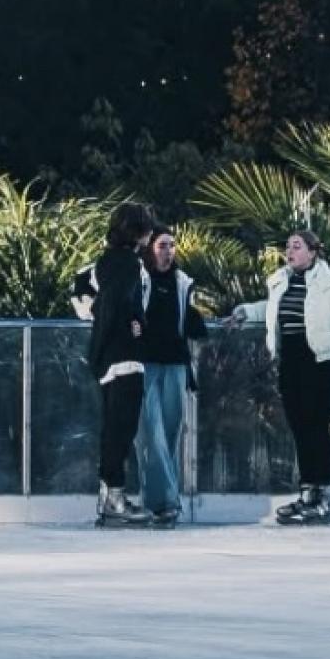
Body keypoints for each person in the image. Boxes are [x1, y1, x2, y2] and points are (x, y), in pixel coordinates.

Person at [229, 231, 330, 525]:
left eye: (297, 246)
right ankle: (307, 493)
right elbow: (272, 309)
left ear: (313, 253)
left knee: (316, 425)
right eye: (287, 246)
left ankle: (322, 496)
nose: (290, 251)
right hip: (292, 359)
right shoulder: (281, 281)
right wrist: (246, 312)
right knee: (299, 426)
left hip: (321, 360)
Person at [72, 202, 155, 526]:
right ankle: (115, 498)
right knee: (121, 428)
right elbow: (116, 304)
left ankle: (110, 496)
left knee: (114, 428)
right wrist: (127, 326)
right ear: (139, 232)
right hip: (122, 357)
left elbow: (86, 290)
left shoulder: (107, 262)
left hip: (113, 356)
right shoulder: (127, 264)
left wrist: (133, 320)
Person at [135, 226, 207, 527]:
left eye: (172, 245)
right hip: (146, 363)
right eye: (162, 245)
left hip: (176, 363)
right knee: (151, 433)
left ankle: (159, 501)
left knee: (171, 430)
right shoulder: (140, 279)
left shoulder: (181, 282)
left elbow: (188, 321)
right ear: (151, 248)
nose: (168, 250)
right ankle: (165, 500)